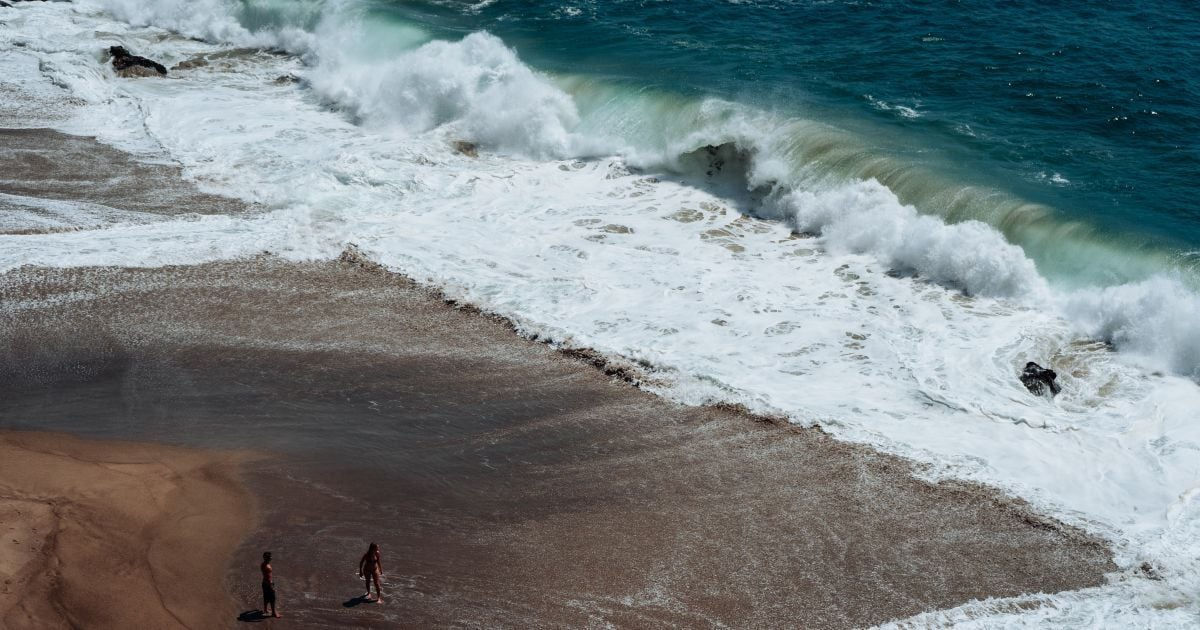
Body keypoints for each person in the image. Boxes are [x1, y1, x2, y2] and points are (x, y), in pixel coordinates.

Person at [261, 552, 281, 618]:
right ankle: (274, 613)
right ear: (267, 558)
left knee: (266, 597)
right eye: (270, 557)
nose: (271, 558)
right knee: (272, 598)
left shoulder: (263, 564)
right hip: (268, 584)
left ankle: (265, 610)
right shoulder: (267, 567)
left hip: (264, 583)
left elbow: (265, 576)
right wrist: (271, 586)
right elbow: (268, 577)